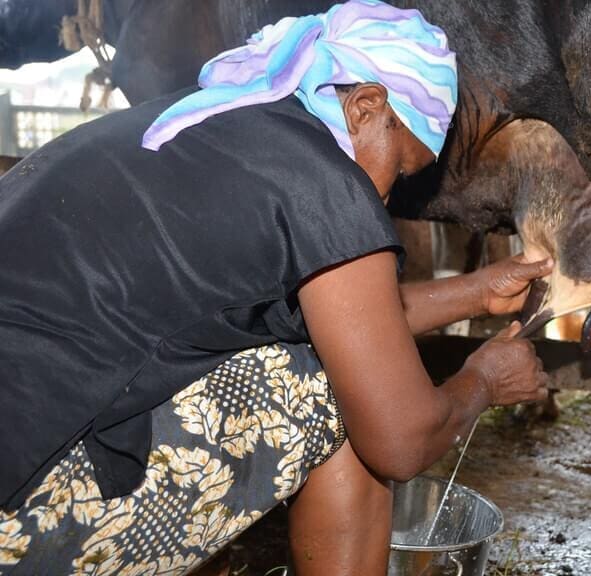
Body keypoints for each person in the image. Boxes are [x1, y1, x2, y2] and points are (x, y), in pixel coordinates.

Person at [0, 1, 551, 574]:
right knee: (341, 392)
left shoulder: (215, 125)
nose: (386, 198)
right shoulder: (324, 181)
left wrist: (479, 292)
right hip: (24, 503)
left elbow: (349, 320)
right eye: (402, 169)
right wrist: (483, 381)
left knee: (334, 359)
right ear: (366, 106)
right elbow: (401, 439)